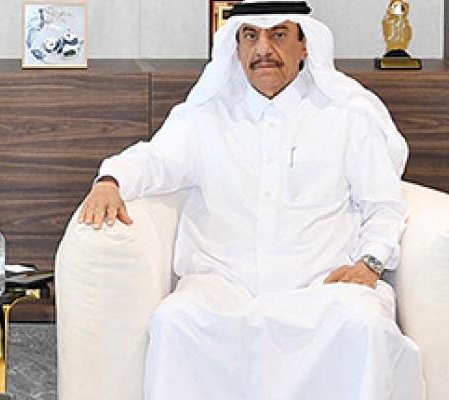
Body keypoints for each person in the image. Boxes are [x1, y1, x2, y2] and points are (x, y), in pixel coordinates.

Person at [78, 1, 424, 398]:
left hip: (320, 291)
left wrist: (370, 263)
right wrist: (111, 180)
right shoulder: (206, 117)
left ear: (304, 45)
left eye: (278, 35)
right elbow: (154, 160)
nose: (263, 49)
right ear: (237, 46)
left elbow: (383, 204)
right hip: (224, 289)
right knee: (176, 320)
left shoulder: (346, 117)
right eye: (250, 36)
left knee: (364, 322)